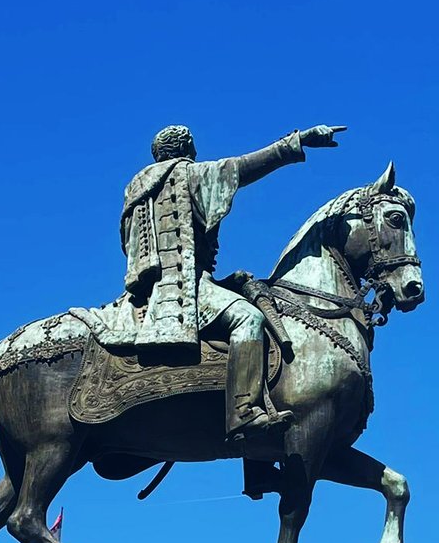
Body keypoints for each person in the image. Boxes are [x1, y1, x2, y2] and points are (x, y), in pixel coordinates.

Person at [96, 122, 346, 443]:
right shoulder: (186, 175)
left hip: (150, 289)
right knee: (248, 319)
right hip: (184, 287)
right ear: (187, 150)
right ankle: (243, 412)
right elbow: (247, 166)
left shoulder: (136, 191)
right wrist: (298, 141)